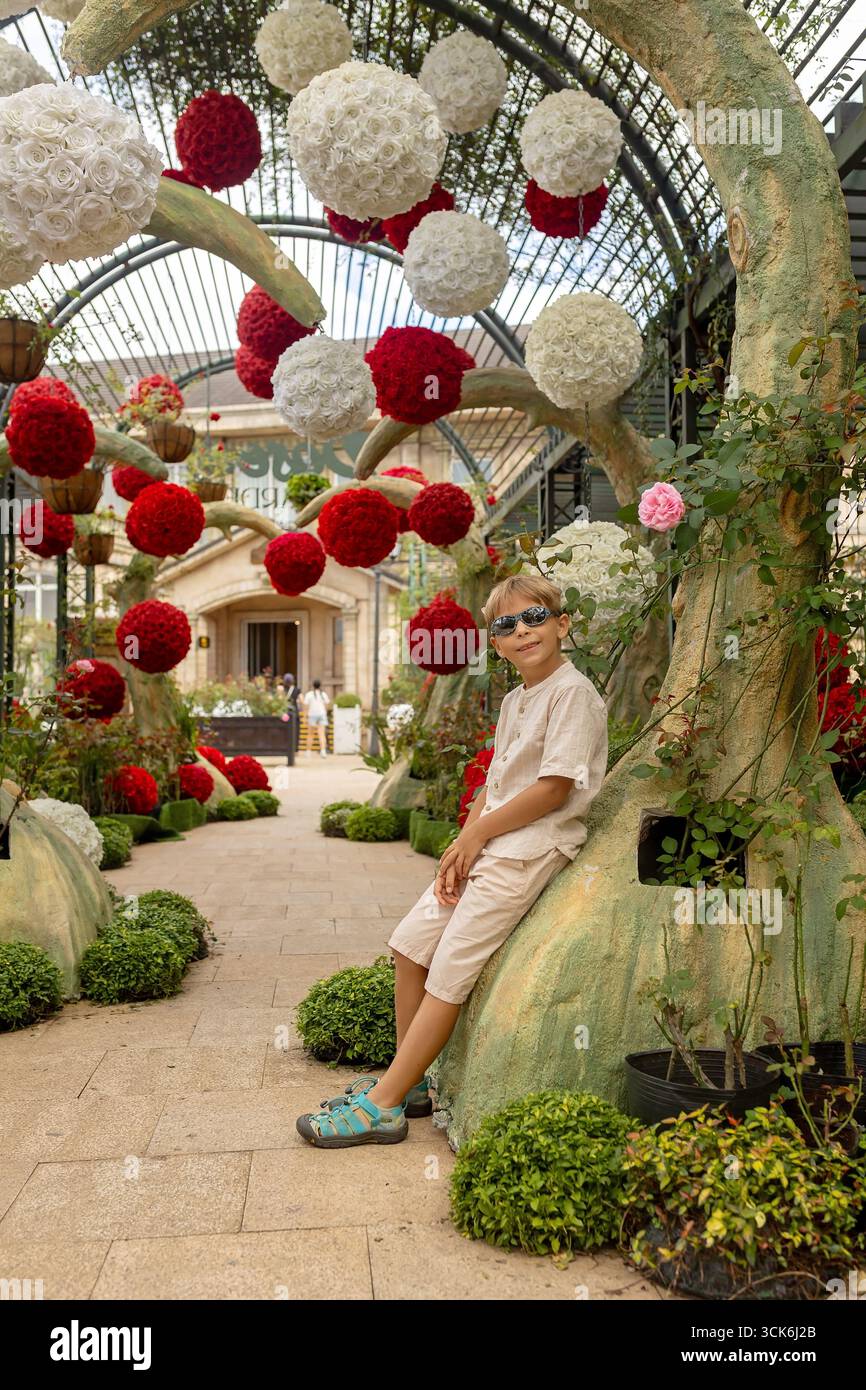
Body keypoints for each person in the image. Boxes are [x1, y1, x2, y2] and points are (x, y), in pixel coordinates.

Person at [296, 573, 609, 1147]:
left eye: (535, 617)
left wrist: (480, 837)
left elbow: (553, 789)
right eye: (506, 626)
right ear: (496, 644)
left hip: (530, 850)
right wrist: (462, 846)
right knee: (410, 945)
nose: (522, 632)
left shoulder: (573, 694)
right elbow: (495, 783)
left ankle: (384, 1106)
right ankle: (410, 1081)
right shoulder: (516, 699)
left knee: (449, 970)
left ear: (563, 625)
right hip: (491, 846)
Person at [302, 678, 330, 757]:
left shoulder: (309, 694)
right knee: (321, 734)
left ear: (313, 685)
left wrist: (305, 717)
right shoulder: (323, 694)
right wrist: (325, 711)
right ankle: (323, 751)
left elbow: (306, 706)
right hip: (322, 714)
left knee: (310, 734)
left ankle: (308, 751)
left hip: (312, 715)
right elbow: (327, 704)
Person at [283, 672, 300, 754]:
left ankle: (286, 746)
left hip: (285, 712)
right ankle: (295, 748)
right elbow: (301, 700)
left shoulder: (282, 689)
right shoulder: (296, 690)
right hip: (294, 712)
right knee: (295, 730)